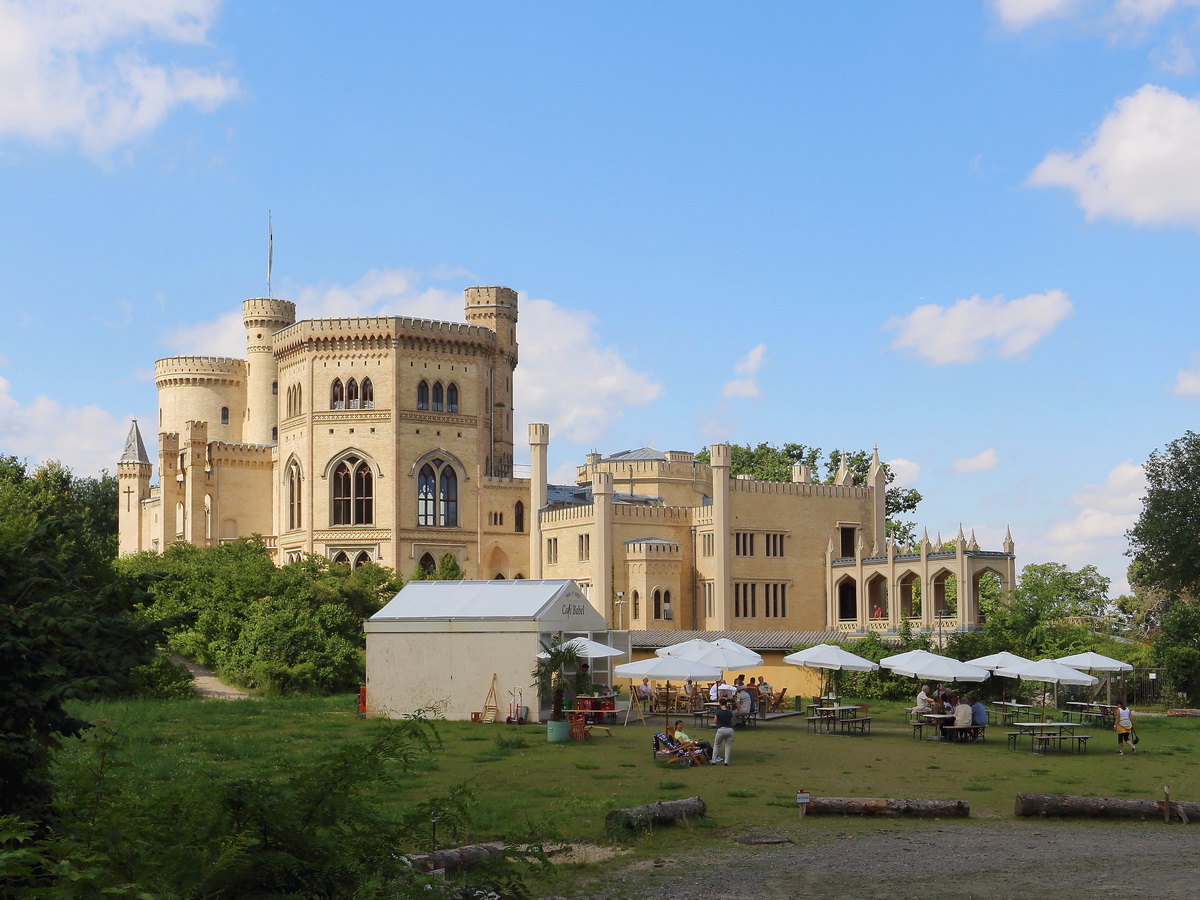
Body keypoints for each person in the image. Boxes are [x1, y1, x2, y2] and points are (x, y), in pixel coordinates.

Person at [712, 699, 735, 765]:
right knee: (728, 746)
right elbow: (732, 721)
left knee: (716, 745)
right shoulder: (729, 712)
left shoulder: (718, 712)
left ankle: (713, 760)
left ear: (720, 704)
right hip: (729, 729)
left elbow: (715, 721)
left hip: (721, 729)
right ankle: (726, 761)